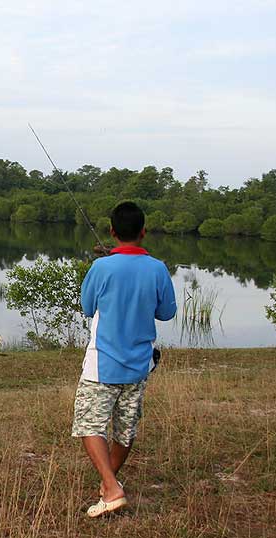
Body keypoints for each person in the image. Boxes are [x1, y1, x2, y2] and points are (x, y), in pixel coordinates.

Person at [72, 201, 176, 517]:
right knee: (125, 429)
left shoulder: (100, 268)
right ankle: (109, 486)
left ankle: (112, 487)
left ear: (113, 232)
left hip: (101, 364)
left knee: (89, 423)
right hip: (139, 364)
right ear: (143, 232)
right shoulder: (158, 269)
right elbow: (166, 312)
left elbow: (87, 307)